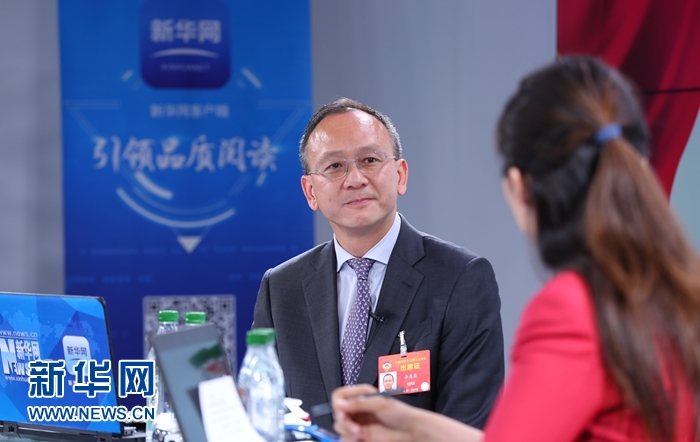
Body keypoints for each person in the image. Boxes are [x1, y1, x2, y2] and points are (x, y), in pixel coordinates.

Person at [331, 57, 700, 441]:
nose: (354, 179)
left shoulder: (570, 309)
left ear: (520, 185)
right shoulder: (671, 292)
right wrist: (410, 425)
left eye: (370, 160)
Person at [253, 98, 504, 431]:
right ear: (310, 191)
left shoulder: (461, 278)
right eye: (334, 166)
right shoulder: (281, 288)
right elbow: (265, 417)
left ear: (400, 174)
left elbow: (471, 425)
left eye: (369, 160)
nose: (355, 179)